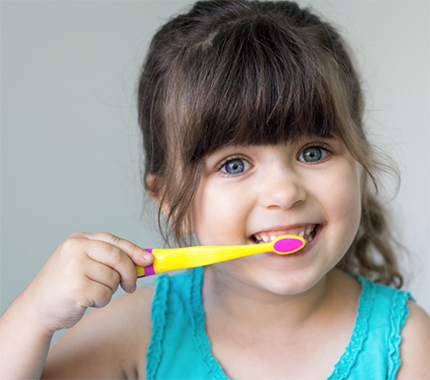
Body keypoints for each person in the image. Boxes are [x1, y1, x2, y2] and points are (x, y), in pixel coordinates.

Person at [1, 1, 428, 379]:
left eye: (314, 152)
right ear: (172, 202)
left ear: (358, 162)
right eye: (234, 164)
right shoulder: (134, 331)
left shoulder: (408, 344)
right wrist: (33, 315)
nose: (284, 192)